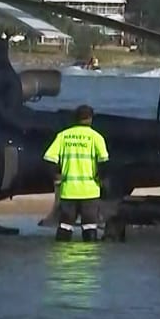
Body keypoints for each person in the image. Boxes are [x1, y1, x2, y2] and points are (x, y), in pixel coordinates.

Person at [43, 104, 110, 242]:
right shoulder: (96, 137)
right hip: (90, 191)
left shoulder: (63, 136)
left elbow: (49, 159)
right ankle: (89, 259)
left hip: (69, 190)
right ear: (91, 119)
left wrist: (56, 176)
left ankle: (64, 259)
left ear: (75, 118)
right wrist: (102, 181)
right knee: (90, 228)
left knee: (65, 228)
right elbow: (104, 163)